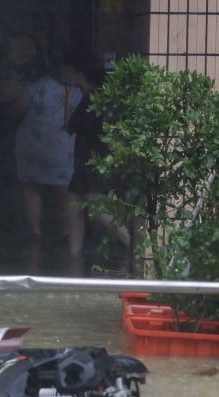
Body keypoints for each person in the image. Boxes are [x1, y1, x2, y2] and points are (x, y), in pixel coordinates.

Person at [13, 55, 83, 244]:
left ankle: (35, 232)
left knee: (31, 187)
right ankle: (67, 232)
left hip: (33, 146)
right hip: (64, 149)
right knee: (64, 192)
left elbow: (18, 110)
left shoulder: (37, 87)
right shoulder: (82, 91)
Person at [66, 62, 131, 256]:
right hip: (98, 159)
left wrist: (68, 100)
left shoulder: (90, 99)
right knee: (75, 201)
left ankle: (134, 244)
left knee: (93, 203)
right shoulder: (109, 99)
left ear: (80, 74)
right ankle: (73, 253)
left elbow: (70, 126)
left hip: (90, 159)